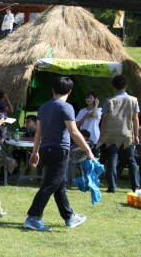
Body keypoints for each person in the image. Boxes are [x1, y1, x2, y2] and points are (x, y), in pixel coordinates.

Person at [24, 76, 96, 231]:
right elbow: (74, 131)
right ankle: (33, 217)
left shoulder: (43, 107)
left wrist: (35, 151)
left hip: (45, 150)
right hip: (58, 150)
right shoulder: (66, 107)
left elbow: (38, 132)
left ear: (52, 89)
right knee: (50, 185)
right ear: (70, 92)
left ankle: (69, 217)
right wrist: (88, 149)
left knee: (59, 185)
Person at [98, 75, 141, 193]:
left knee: (112, 160)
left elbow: (104, 118)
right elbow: (135, 119)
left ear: (114, 87)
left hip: (112, 133)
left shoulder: (109, 101)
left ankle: (112, 186)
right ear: (126, 86)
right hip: (127, 133)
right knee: (131, 160)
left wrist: (102, 134)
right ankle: (136, 186)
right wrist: (136, 135)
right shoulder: (133, 100)